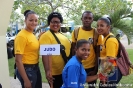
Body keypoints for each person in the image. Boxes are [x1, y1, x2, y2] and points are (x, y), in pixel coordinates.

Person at [39, 12, 71, 88]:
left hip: (64, 70)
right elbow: (45, 54)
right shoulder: (46, 36)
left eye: (57, 22)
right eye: (53, 22)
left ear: (60, 23)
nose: (55, 24)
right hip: (54, 73)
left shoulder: (62, 35)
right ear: (49, 23)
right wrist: (47, 71)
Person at [71, 11, 103, 88]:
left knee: (92, 86)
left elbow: (98, 52)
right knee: (77, 85)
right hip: (78, 65)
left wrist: (95, 69)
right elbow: (73, 49)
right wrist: (74, 64)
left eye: (89, 18)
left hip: (91, 67)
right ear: (81, 19)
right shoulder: (76, 31)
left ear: (92, 20)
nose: (87, 20)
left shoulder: (96, 33)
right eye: (85, 18)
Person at [14, 10, 42, 88]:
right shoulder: (21, 36)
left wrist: (40, 38)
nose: (34, 23)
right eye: (31, 20)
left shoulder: (31, 34)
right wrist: (26, 80)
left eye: (36, 20)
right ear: (25, 21)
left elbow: (32, 48)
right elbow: (18, 60)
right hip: (27, 69)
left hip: (35, 67)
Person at [97, 17, 122, 88]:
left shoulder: (110, 40)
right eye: (98, 25)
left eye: (102, 25)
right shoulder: (105, 38)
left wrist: (103, 79)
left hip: (111, 71)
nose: (99, 28)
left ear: (108, 27)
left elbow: (110, 60)